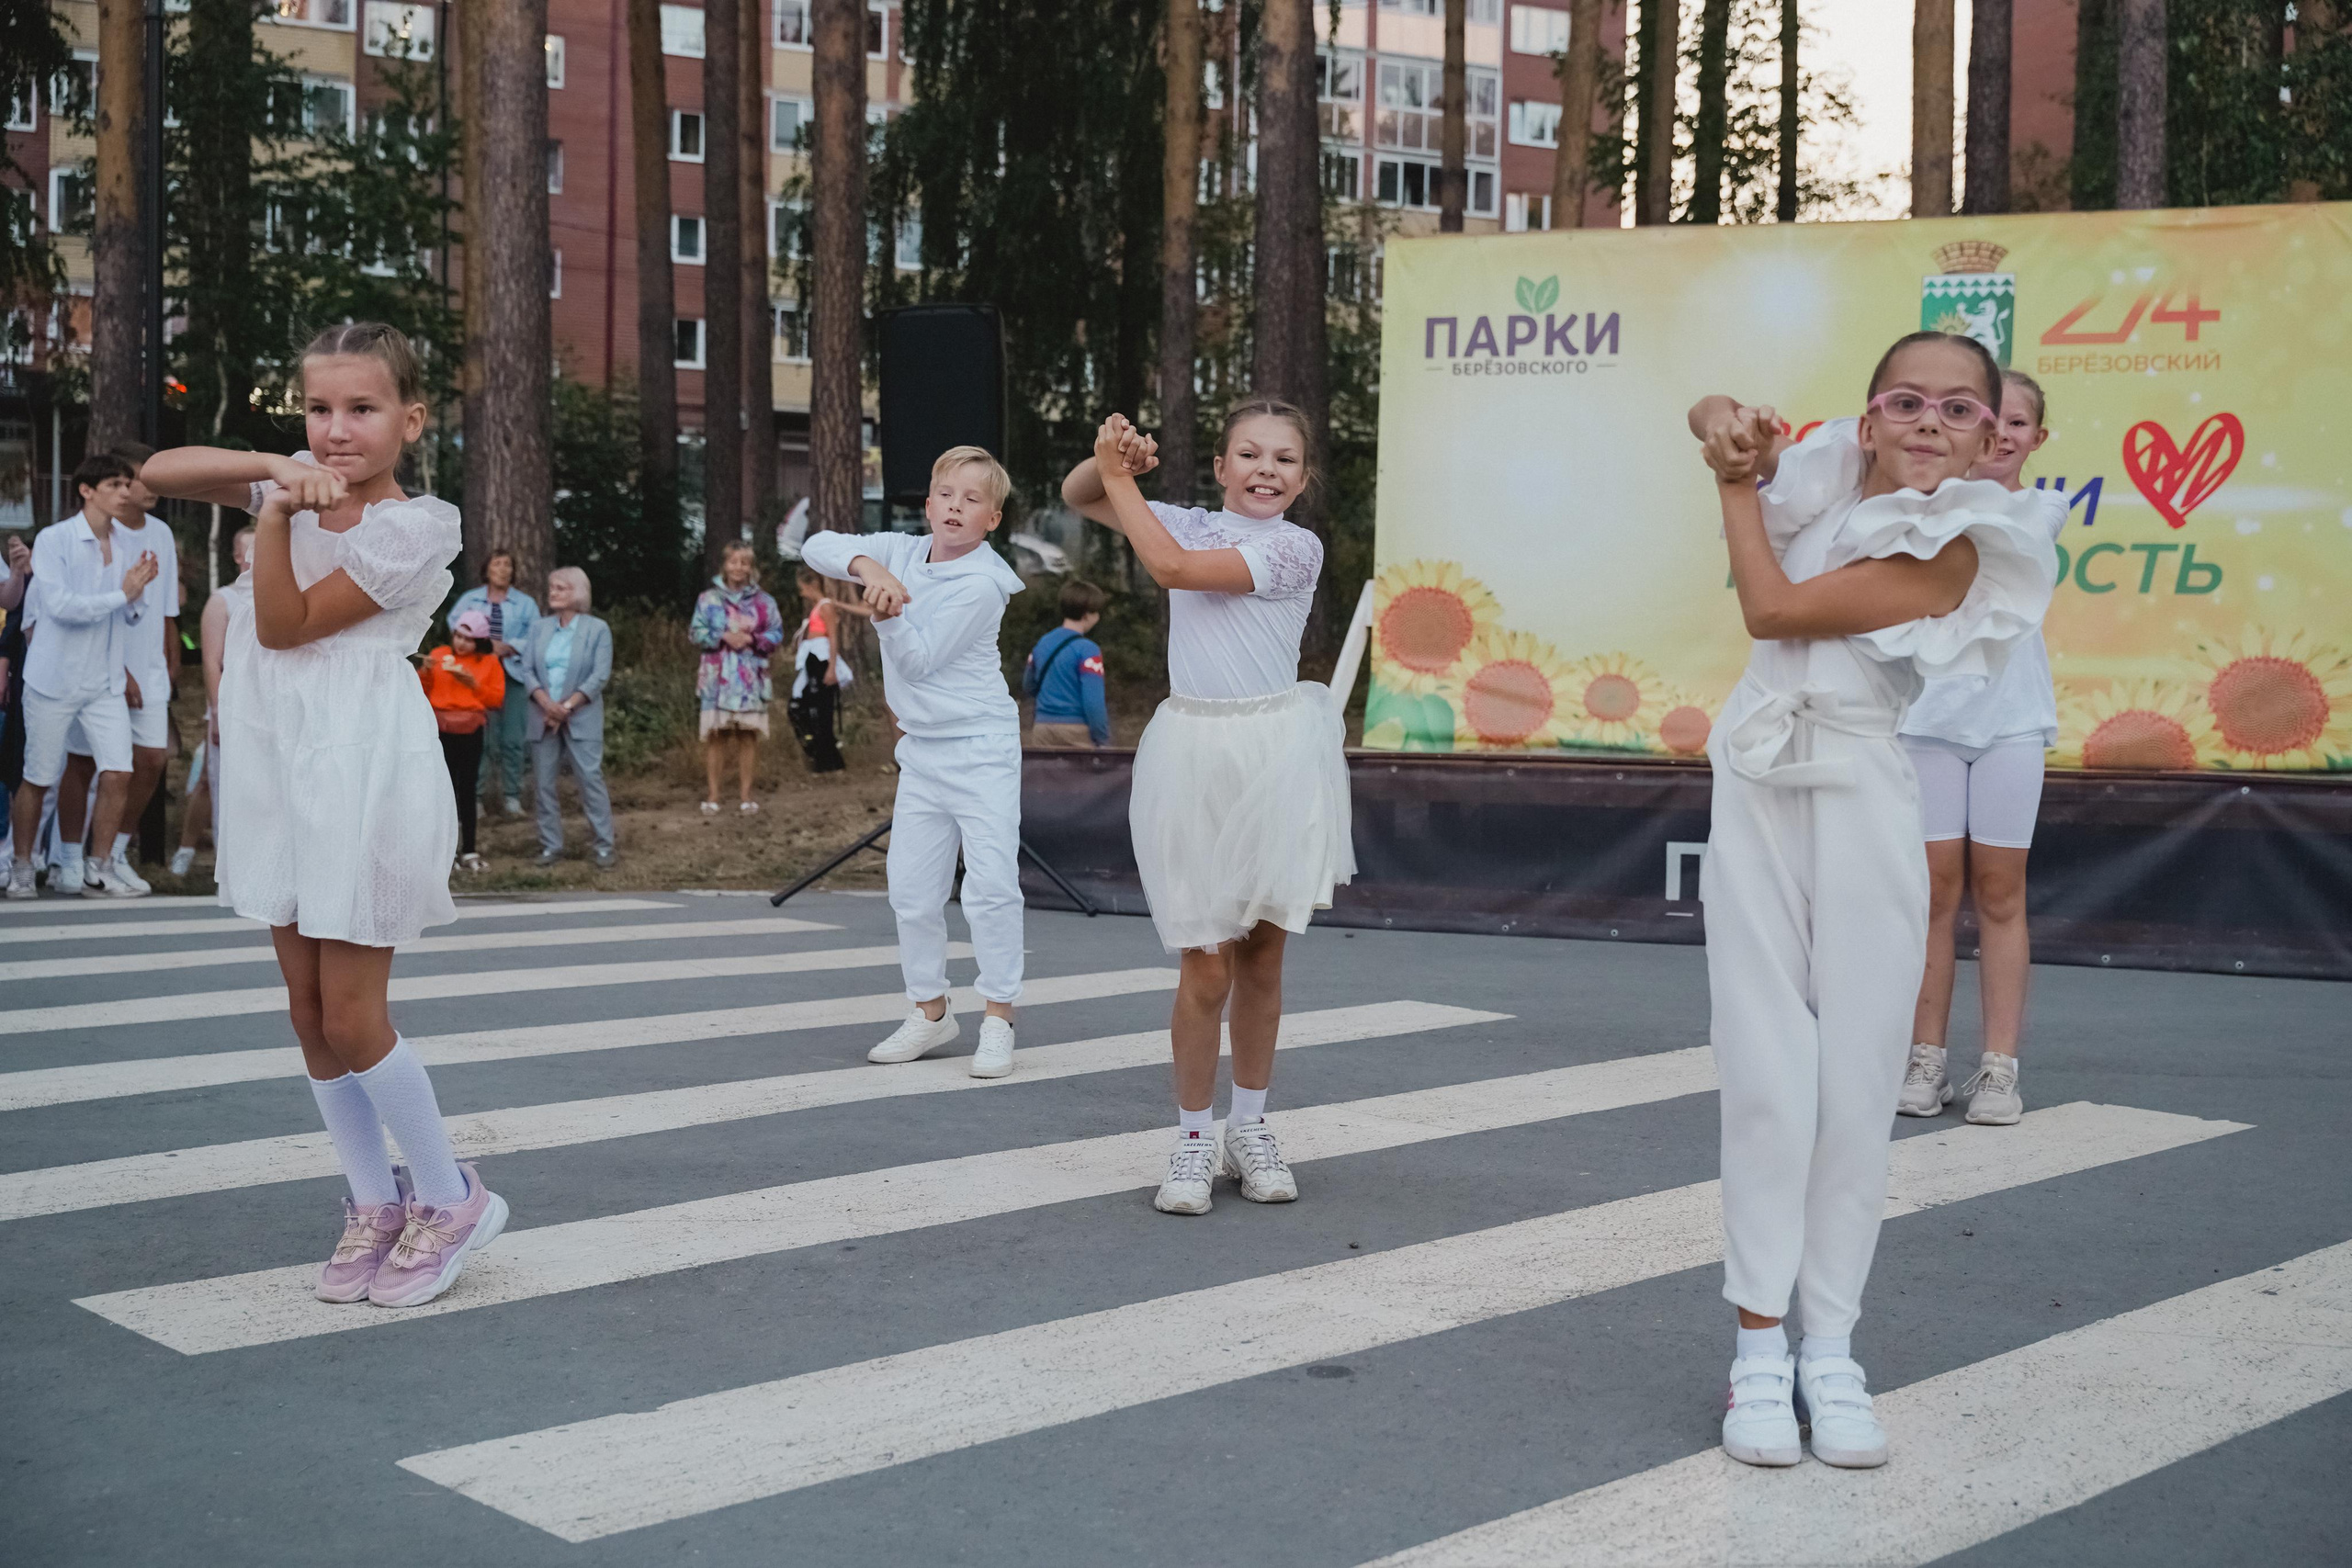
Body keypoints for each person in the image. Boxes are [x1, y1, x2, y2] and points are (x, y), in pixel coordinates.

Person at [1686, 332, 2056, 1472]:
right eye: (1907, 400)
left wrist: (1732, 483)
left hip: (1860, 790)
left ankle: (1830, 1350)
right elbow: (1712, 408)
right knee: (1761, 1069)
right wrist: (1725, 428)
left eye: (1960, 409)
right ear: (1868, 416)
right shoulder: (1825, 475)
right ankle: (1757, 1352)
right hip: (1754, 781)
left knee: (1852, 1082)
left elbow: (1770, 610)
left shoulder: (1967, 538)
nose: (1930, 421)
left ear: (1994, 438)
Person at [142, 321, 508, 1308]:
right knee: (307, 1017)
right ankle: (370, 1201)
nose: (338, 431)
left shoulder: (417, 526)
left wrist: (268, 517)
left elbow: (284, 623)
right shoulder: (293, 473)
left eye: (363, 408)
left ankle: (447, 1195)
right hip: (277, 761)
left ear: (410, 417)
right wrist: (272, 468)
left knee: (354, 1014)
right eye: (319, 410)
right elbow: (155, 469)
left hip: (361, 764)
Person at [1060, 400, 1352, 1217]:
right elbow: (1082, 493)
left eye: (1285, 459)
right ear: (1221, 469)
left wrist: (1121, 480)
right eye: (1249, 454)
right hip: (1193, 755)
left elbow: (1174, 571)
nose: (1267, 469)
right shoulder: (1187, 519)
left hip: (1275, 755)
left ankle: (1250, 1127)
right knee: (1205, 961)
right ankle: (1193, 1138)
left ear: (1302, 477)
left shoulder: (1296, 547)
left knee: (1262, 956)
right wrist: (1110, 452)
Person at [801, 446, 1026, 1079]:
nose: (956, 506)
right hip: (923, 752)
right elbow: (817, 543)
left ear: (993, 519)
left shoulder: (985, 583)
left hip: (981, 749)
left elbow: (920, 659)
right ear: (928, 504)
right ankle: (931, 1013)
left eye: (972, 498)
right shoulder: (901, 549)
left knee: (989, 889)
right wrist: (872, 565)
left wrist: (888, 614)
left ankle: (999, 1018)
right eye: (946, 494)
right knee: (911, 890)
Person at [1899, 370, 2068, 1129]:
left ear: (2037, 438)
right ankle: (1923, 1058)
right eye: (1987, 421)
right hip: (1927, 719)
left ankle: (1999, 1069)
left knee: (2000, 892)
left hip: (2010, 725)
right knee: (1932, 894)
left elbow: (1993, 537)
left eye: (2019, 425)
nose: (2002, 435)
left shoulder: (2041, 508)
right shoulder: (1921, 506)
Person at [6, 452, 161, 899]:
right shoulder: (55, 541)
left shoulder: (129, 544)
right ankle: (21, 867)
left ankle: (100, 866)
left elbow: (132, 615)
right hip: (53, 680)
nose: (125, 493)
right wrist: (122, 594)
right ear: (86, 491)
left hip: (104, 683)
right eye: (114, 484)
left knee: (118, 771)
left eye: (126, 485)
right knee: (38, 776)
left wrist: (134, 596)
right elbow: (61, 608)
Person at [172, 525, 255, 878]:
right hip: (232, 706)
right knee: (219, 783)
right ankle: (219, 862)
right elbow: (211, 661)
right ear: (238, 556)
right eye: (252, 549)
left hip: (269, 706)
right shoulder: (224, 600)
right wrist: (219, 712)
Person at [522, 565, 616, 868]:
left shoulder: (597, 629)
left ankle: (604, 845)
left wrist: (566, 708)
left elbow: (599, 675)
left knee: (590, 780)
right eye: (552, 588)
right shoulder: (539, 627)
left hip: (581, 716)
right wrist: (547, 704)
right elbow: (527, 670)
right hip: (542, 714)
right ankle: (551, 845)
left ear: (578, 592)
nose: (554, 593)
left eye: (561, 588)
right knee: (544, 784)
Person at [690, 540, 786, 813]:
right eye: (734, 561)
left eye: (744, 562)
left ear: (751, 567)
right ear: (724, 564)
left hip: (750, 677)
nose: (738, 568)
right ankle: (713, 796)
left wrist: (752, 639)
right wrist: (723, 636)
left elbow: (777, 634)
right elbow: (695, 632)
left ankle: (746, 797)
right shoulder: (707, 599)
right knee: (716, 736)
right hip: (716, 677)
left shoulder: (765, 602)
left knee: (747, 736)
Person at [450, 548, 537, 818]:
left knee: (513, 739)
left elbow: (536, 635)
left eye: (508, 565)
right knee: (481, 740)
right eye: (498, 564)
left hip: (512, 675)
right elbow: (457, 627)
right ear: (487, 570)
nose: (503, 569)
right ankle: (475, 799)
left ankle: (512, 798)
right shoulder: (470, 600)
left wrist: (509, 646)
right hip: (478, 676)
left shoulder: (525, 604)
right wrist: (484, 645)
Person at [419, 608, 506, 872]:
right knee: (441, 790)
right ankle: (444, 852)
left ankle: (469, 848)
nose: (460, 643)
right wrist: (424, 672)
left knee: (467, 790)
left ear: (479, 641)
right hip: (441, 727)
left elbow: (495, 700)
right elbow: (421, 693)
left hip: (470, 729)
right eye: (457, 636)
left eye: (467, 639)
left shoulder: (488, 663)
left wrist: (471, 683)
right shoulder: (439, 655)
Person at [786, 563, 864, 774]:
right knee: (804, 706)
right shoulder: (817, 608)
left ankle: (827, 758)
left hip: (822, 659)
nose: (800, 591)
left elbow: (832, 637)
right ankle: (818, 752)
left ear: (810, 585)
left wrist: (831, 667)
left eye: (801, 586)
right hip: (812, 658)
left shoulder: (825, 607)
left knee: (821, 708)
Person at [1023, 578, 1112, 748]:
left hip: (1042, 727)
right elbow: (1093, 702)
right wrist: (1102, 738)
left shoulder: (1042, 643)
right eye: (1096, 612)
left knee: (1046, 775)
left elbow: (1028, 684)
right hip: (1076, 730)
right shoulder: (1088, 650)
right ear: (1087, 615)